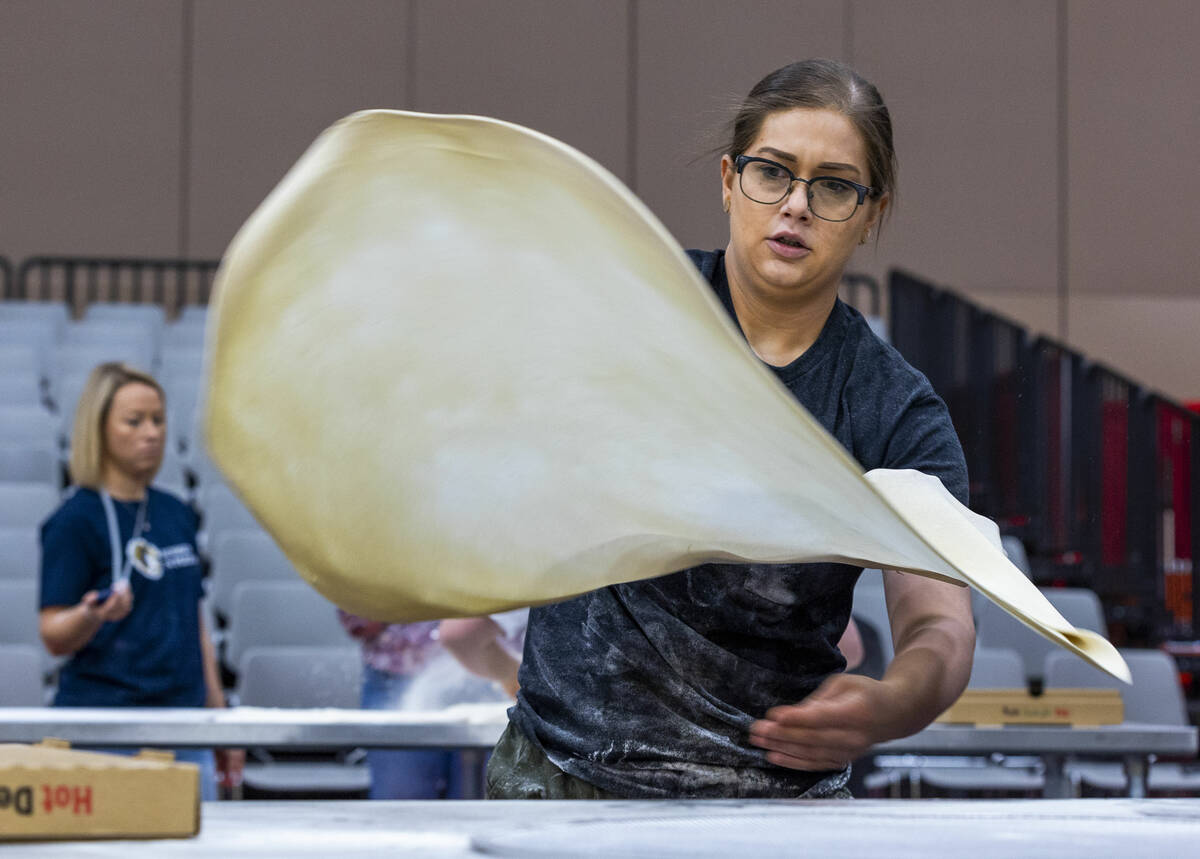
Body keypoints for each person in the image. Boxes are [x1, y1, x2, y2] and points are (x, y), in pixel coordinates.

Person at [486, 58, 975, 799]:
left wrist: (898, 698)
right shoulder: (632, 308)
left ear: (872, 213)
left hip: (773, 809)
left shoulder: (892, 409)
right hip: (561, 784)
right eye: (772, 173)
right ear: (728, 180)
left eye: (835, 186)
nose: (797, 205)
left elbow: (940, 622)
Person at [38, 362, 243, 801]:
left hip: (183, 727)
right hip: (104, 729)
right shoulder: (75, 521)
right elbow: (54, 635)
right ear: (100, 430)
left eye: (158, 420)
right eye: (134, 422)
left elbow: (195, 622)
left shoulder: (176, 512)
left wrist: (221, 721)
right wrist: (91, 615)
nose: (151, 433)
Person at [339, 608, 526, 798]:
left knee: (485, 804)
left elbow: (461, 633)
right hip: (400, 669)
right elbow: (360, 619)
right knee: (402, 806)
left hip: (497, 664)